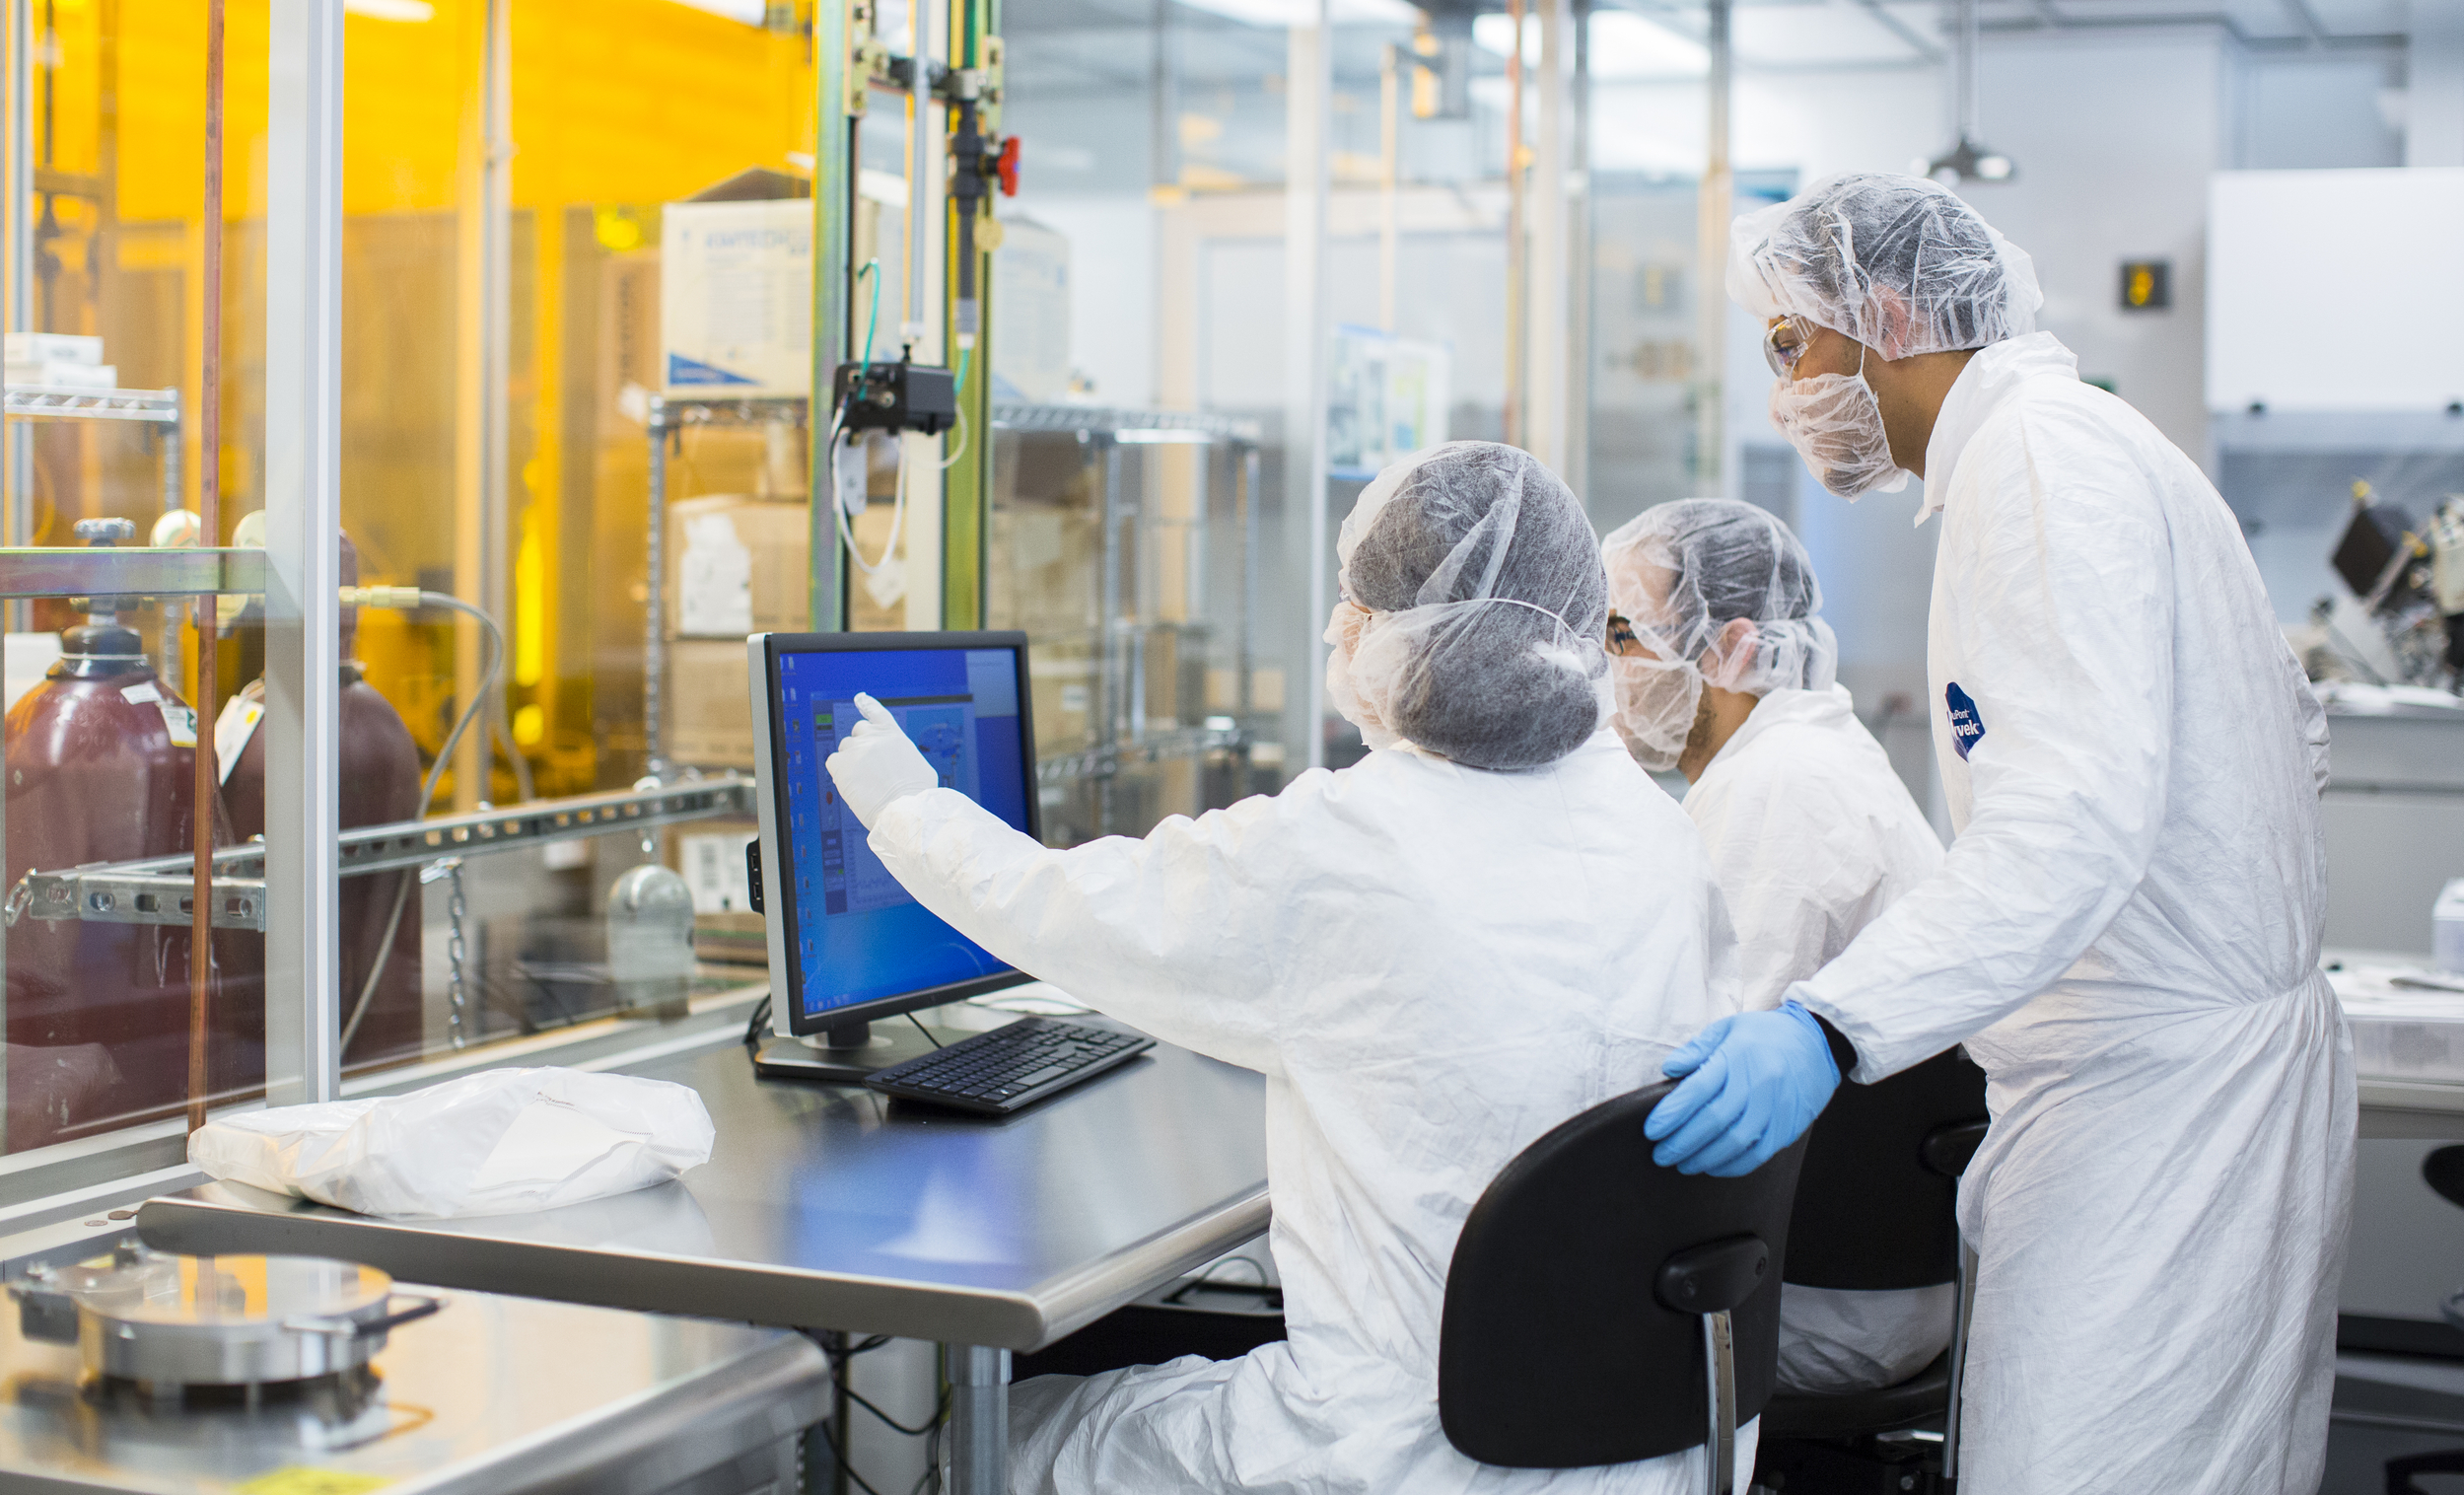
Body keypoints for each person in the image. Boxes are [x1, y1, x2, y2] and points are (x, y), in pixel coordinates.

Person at [825, 441, 1746, 1495]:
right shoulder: (1651, 825)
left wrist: (908, 809)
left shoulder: (1353, 841)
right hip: (1665, 1442)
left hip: (1415, 1453)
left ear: (1417, 637)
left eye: (1361, 605)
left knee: (1000, 1436)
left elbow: (1065, 908)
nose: (1338, 627)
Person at [1642, 172, 2355, 1494]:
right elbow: (2282, 735)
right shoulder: (2067, 448)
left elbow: (2068, 820)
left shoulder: (2040, 461)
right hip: (2167, 1085)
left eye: (1791, 343)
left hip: (2157, 1116)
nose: (1784, 392)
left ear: (1891, 313)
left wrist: (1829, 1025)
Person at [1601, 497, 1951, 1395]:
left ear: (1730, 648)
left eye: (1623, 636)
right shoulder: (1802, 757)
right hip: (1855, 1274)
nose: (1603, 669)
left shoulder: (1778, 787)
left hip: (1818, 1303)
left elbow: (1682, 1071)